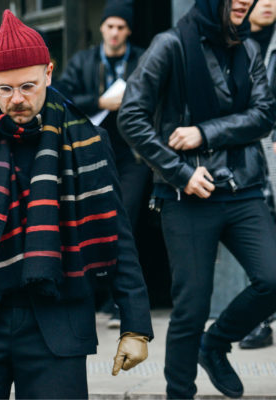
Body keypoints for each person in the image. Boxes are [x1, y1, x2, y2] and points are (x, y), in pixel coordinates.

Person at [0, 10, 152, 399]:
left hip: (58, 318)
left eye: (28, 86)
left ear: (49, 73)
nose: (16, 99)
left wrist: (134, 326)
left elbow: (118, 235)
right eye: (4, 89)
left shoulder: (89, 142)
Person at [118, 0, 276, 398]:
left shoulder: (249, 48)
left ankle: (216, 344)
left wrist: (203, 132)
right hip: (186, 196)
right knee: (191, 308)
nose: (245, 0)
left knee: (273, 279)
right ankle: (180, 394)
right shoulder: (169, 45)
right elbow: (131, 116)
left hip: (243, 187)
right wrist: (181, 172)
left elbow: (263, 115)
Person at [57, 0, 149, 329]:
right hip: (91, 150)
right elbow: (60, 96)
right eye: (110, 26)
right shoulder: (83, 60)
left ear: (128, 30)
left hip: (133, 153)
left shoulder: (141, 58)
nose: (114, 33)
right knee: (91, 220)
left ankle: (117, 301)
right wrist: (99, 102)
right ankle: (93, 296)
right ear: (101, 28)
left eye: (121, 27)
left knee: (125, 219)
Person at [237, 0, 276, 350]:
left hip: (274, 148)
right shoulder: (235, 42)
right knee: (258, 236)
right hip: (247, 155)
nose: (266, 3)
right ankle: (260, 321)